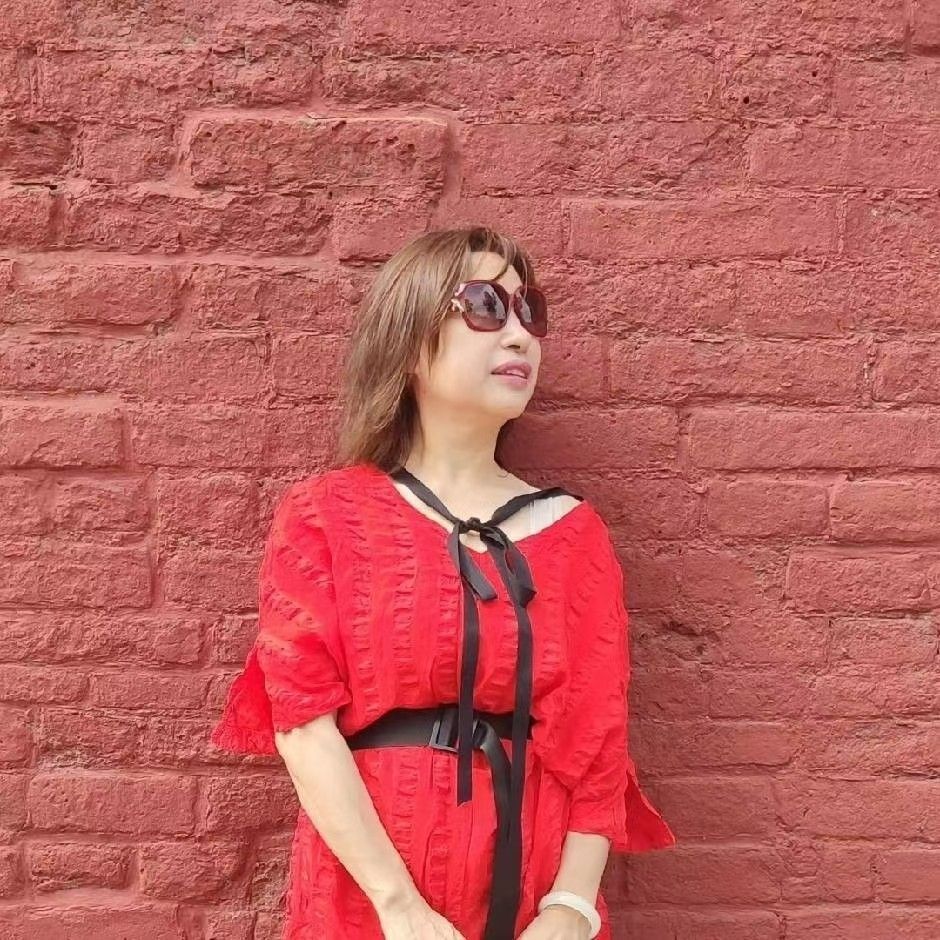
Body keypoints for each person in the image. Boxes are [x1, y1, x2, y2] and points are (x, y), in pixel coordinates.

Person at [210, 226, 676, 940]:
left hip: (531, 888)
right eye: (486, 306)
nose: (519, 334)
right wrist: (398, 907)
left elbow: (598, 742)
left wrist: (571, 909)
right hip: (368, 889)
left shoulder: (573, 534)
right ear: (410, 339)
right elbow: (301, 720)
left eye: (529, 311)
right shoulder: (327, 515)